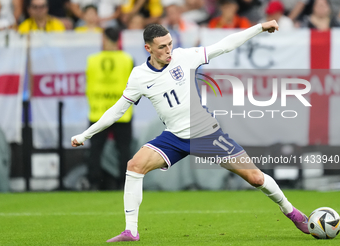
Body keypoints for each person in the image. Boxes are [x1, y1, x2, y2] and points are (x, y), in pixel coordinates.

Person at [71, 20, 310, 242]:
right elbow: (116, 110)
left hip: (207, 134)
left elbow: (224, 46)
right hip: (174, 138)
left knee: (256, 178)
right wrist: (85, 135)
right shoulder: (139, 76)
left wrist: (259, 27)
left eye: (170, 44)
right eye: (162, 47)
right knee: (134, 165)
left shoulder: (185, 57)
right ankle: (131, 230)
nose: (168, 50)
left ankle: (292, 213)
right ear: (148, 48)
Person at [84, 27, 134, 190]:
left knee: (95, 151)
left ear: (104, 39)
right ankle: (124, 183)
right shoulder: (127, 59)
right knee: (124, 150)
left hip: (99, 110)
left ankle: (94, 183)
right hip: (122, 112)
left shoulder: (92, 60)